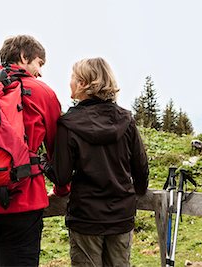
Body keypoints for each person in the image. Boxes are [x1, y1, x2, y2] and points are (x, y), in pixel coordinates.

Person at [0, 35, 66, 266]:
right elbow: (56, 150)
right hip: (23, 200)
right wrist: (62, 189)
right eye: (39, 63)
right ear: (24, 57)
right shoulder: (42, 92)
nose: (40, 72)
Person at [46, 57, 149, 267]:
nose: (70, 82)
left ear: (84, 83)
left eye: (73, 78)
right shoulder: (126, 119)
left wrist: (40, 162)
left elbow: (61, 175)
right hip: (121, 215)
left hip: (86, 216)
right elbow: (141, 167)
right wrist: (135, 194)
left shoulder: (68, 124)